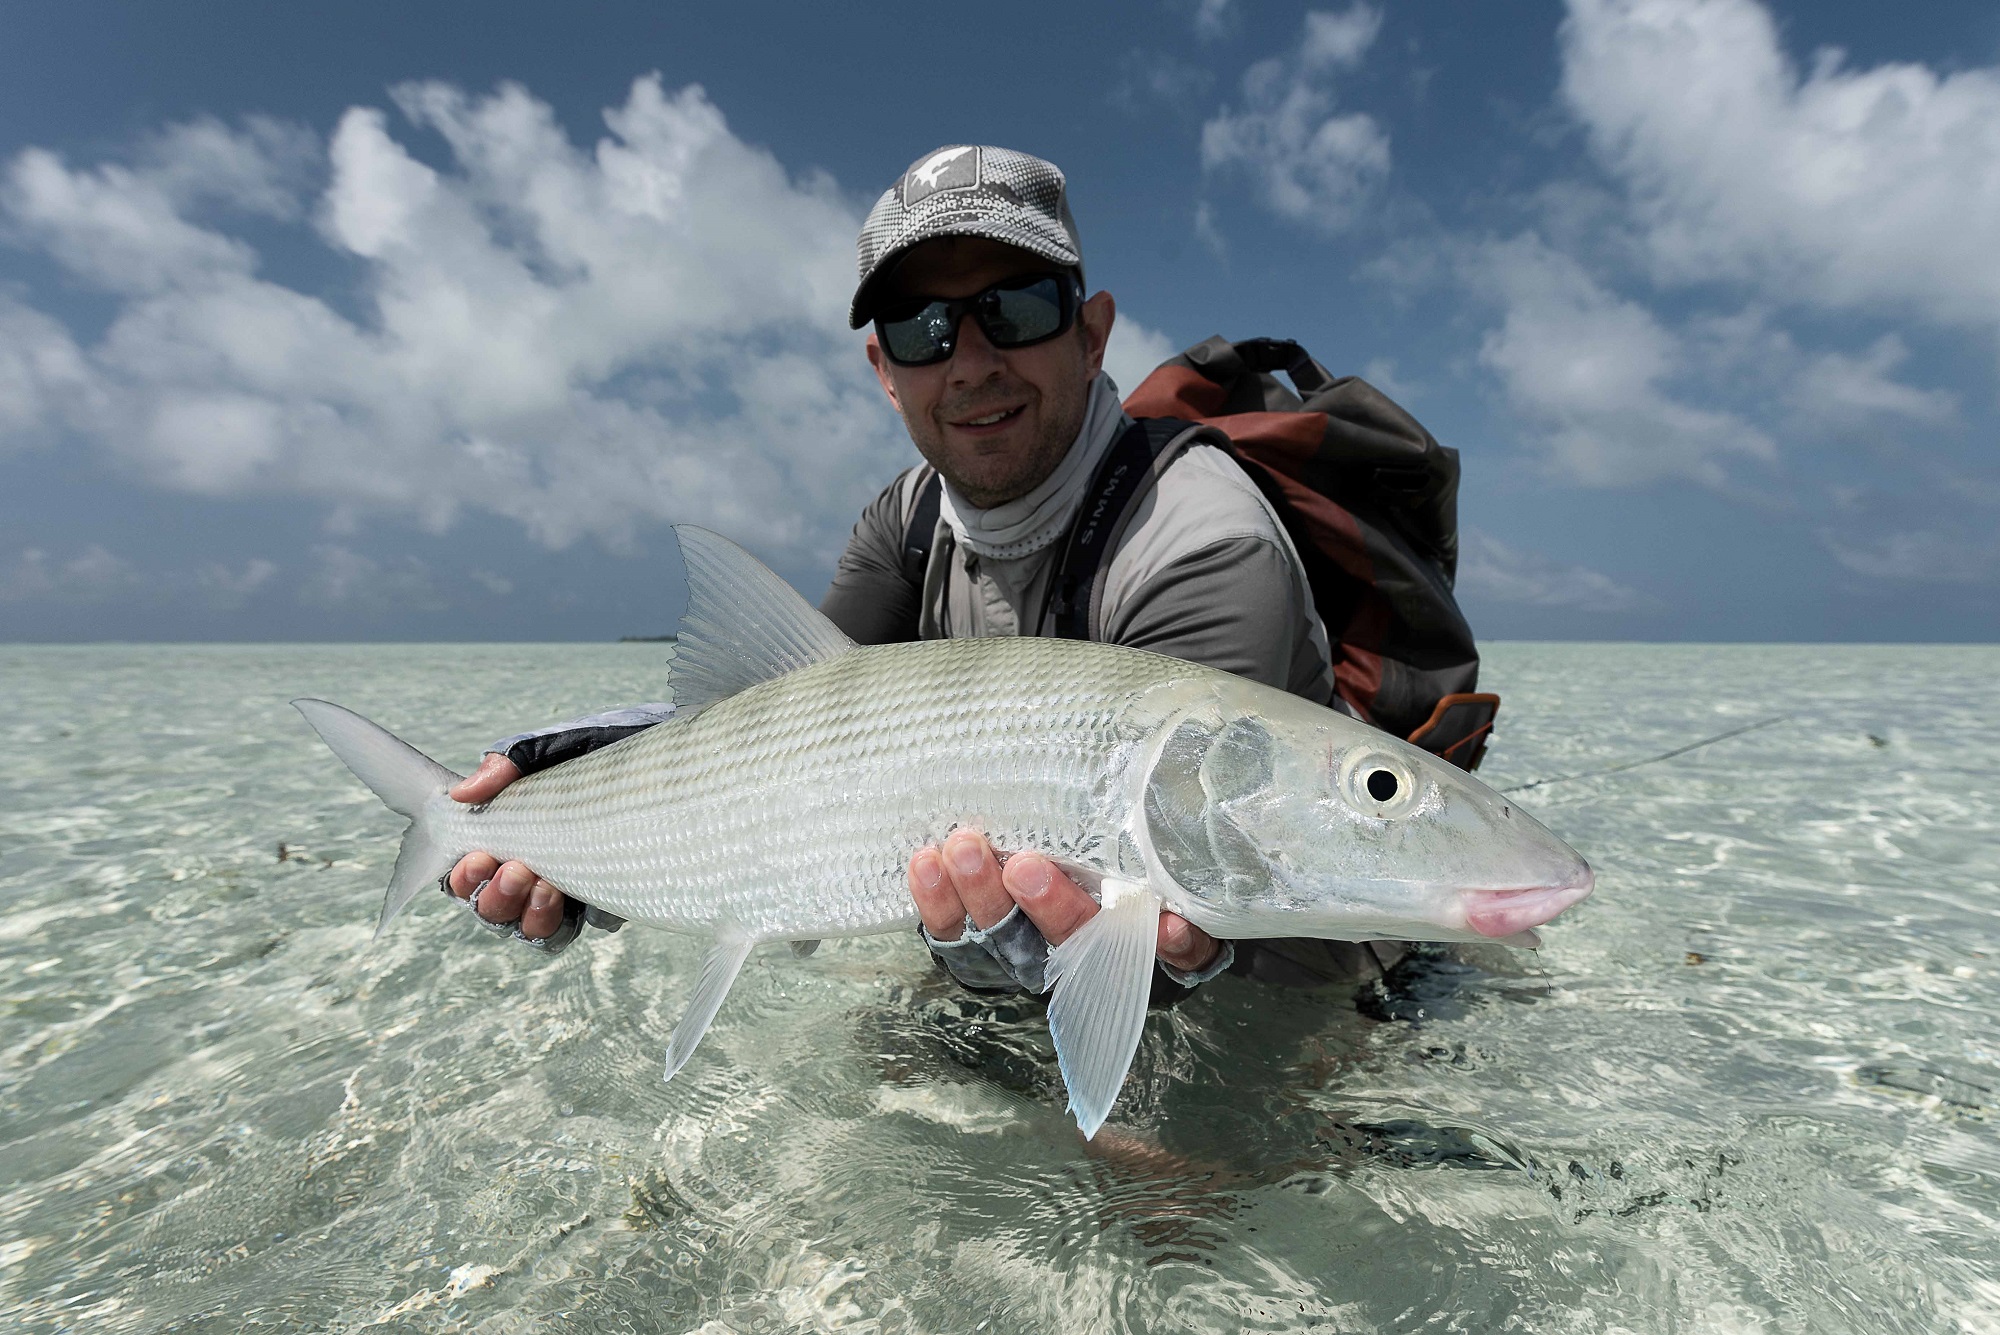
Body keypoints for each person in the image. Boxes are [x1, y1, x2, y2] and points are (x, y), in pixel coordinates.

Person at [442, 145, 1403, 995]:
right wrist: (574, 796)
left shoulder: (1202, 545)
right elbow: (788, 727)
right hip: (1013, 956)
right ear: (883, 371)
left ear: (1093, 332)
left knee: (1150, 1179)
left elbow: (1189, 914)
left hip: (1277, 994)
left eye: (1015, 309)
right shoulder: (903, 519)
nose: (971, 361)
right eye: (921, 329)